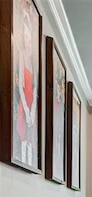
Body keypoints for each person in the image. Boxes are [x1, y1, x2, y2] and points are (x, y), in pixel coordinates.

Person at [13, 6, 38, 168]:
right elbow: (21, 87)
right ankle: (22, 160)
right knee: (23, 133)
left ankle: (29, 162)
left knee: (31, 137)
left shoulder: (34, 65)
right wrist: (28, 111)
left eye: (31, 40)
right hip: (24, 102)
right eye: (27, 38)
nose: (29, 42)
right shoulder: (21, 58)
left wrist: (34, 110)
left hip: (32, 103)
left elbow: (36, 91)